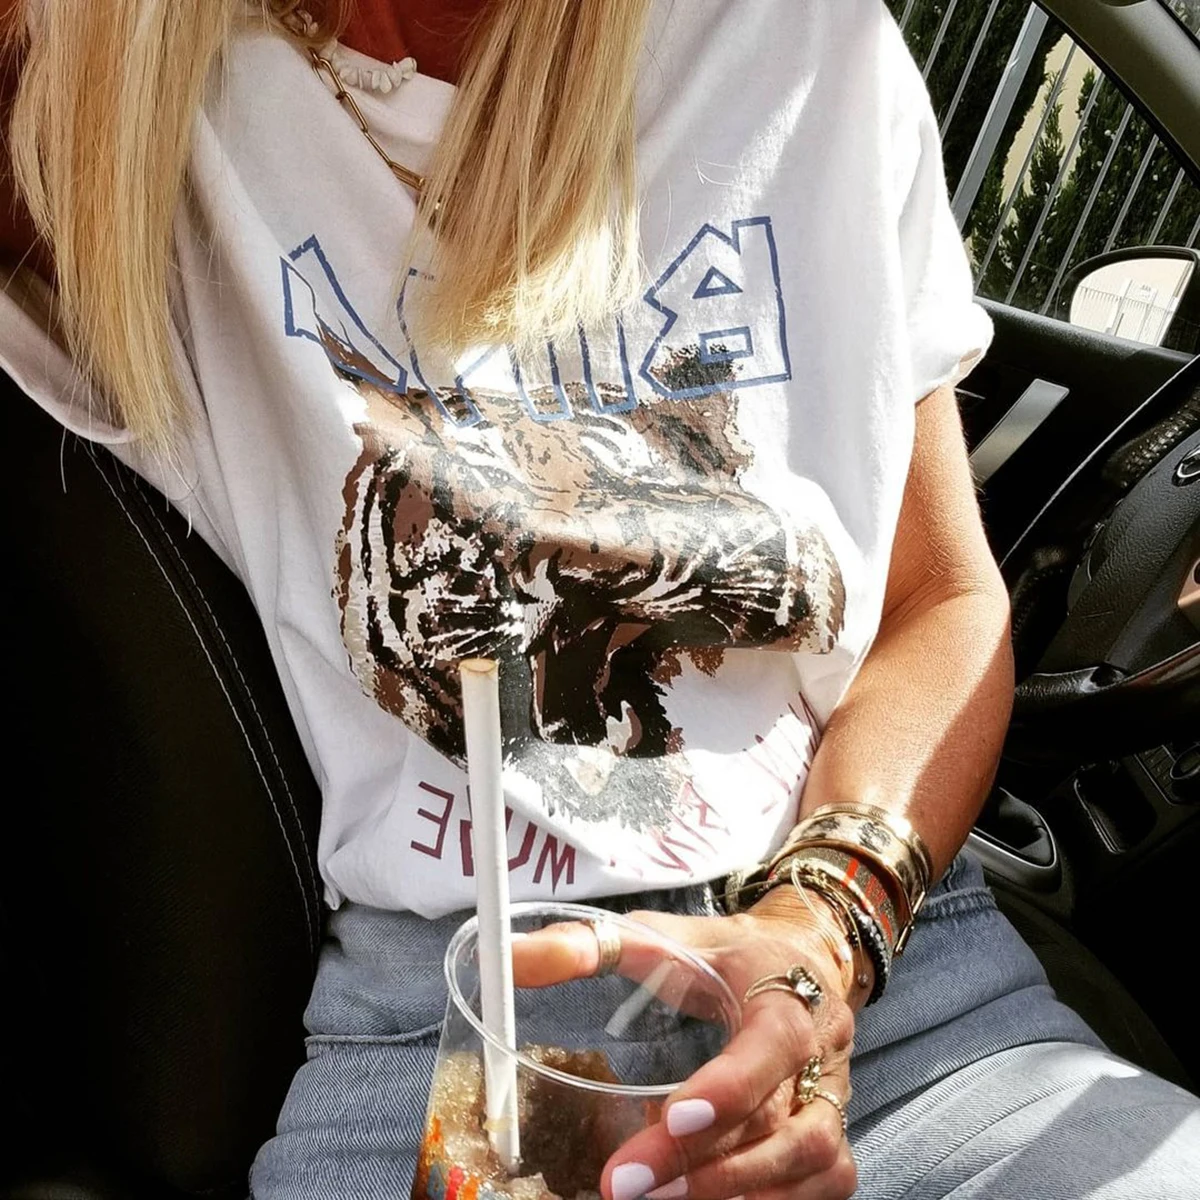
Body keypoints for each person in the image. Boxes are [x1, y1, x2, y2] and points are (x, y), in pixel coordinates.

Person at [2, 1, 1199, 1197]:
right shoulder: (127, 92)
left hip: (889, 1000)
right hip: (453, 1026)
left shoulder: (803, 43)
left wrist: (822, 927)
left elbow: (938, 601)